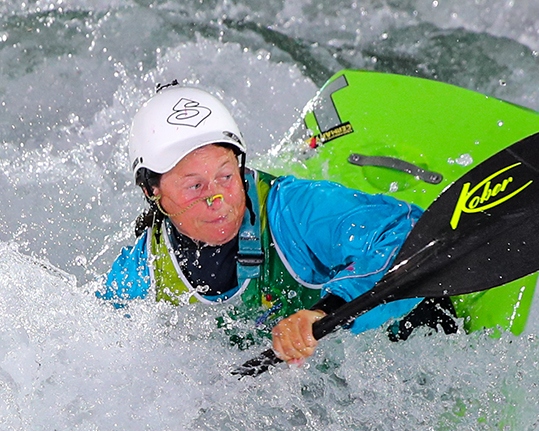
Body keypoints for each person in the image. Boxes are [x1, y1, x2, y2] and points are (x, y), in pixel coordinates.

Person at [97, 82, 457, 365]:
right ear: (152, 191)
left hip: (402, 338)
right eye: (194, 186)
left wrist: (323, 312)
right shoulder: (141, 274)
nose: (217, 200)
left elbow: (408, 236)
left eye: (225, 177)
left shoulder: (292, 210)